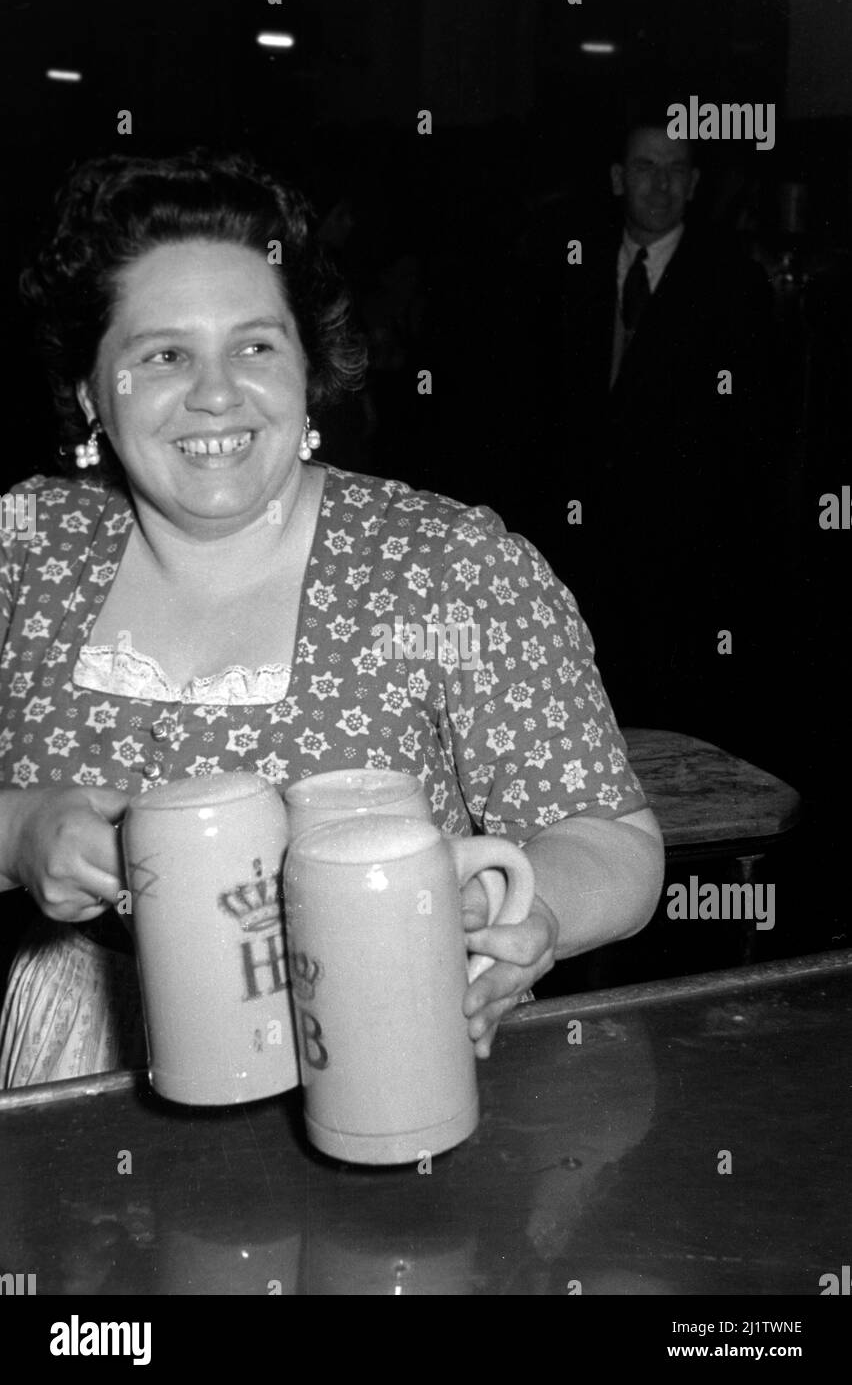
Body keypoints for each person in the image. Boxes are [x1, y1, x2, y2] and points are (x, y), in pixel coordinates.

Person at [0, 150, 664, 1088]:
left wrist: (522, 909)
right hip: (78, 1059)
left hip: (379, 1035)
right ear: (89, 390)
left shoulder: (446, 565)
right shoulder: (24, 547)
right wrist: (18, 831)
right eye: (162, 355)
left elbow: (615, 840)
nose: (217, 391)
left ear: (309, 371)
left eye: (256, 345)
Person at [550, 117, 779, 751]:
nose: (661, 184)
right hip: (583, 550)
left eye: (676, 169)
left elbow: (747, 435)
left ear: (696, 183)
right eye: (647, 167)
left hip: (680, 559)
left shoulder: (733, 283)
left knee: (669, 728)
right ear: (619, 178)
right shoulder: (572, 270)